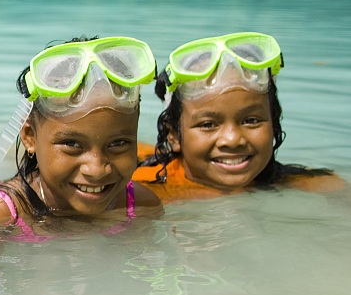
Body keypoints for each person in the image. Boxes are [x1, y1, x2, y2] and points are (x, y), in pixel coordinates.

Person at [0, 37, 162, 237]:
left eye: (118, 143)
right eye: (71, 144)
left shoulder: (142, 206)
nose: (96, 170)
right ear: (30, 137)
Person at [133, 32, 343, 202]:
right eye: (208, 124)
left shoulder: (313, 184)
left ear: (273, 122)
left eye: (251, 121)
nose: (232, 139)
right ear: (173, 135)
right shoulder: (144, 191)